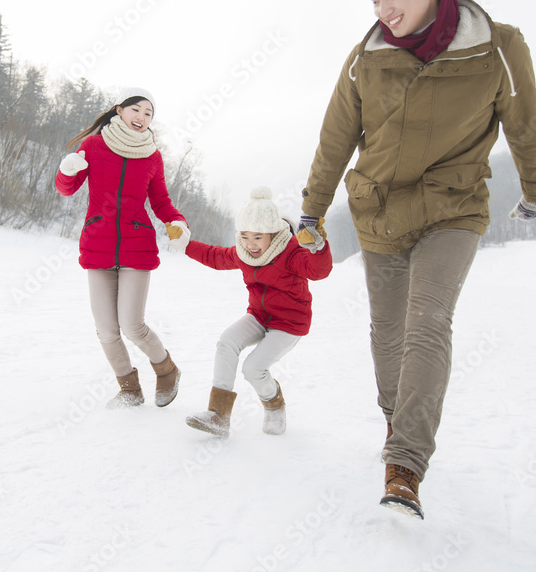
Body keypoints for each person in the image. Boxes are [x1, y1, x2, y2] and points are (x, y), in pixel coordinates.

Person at [297, 0, 536, 519]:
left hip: (453, 208)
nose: (383, 10)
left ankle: (406, 465)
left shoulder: (496, 47)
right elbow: (336, 136)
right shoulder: (366, 58)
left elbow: (525, 121)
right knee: (387, 335)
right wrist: (312, 208)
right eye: (373, 0)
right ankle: (396, 420)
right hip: (379, 211)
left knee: (427, 323)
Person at [55, 88, 190, 409]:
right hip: (97, 246)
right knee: (106, 330)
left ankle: (167, 370)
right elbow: (66, 189)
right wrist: (67, 168)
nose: (142, 118)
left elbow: (161, 202)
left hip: (137, 248)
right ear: (119, 110)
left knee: (132, 325)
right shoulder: (94, 146)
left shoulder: (152, 156)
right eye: (137, 110)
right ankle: (130, 389)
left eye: (149, 114)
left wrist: (178, 222)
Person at [180, 186, 332, 437]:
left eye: (258, 237)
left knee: (253, 369)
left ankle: (274, 405)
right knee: (227, 341)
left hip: (289, 323)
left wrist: (317, 247)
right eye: (245, 236)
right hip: (259, 316)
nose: (251, 244)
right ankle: (218, 415)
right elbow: (215, 256)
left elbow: (318, 272)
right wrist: (185, 245)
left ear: (272, 233)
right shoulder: (244, 252)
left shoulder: (291, 251)